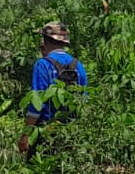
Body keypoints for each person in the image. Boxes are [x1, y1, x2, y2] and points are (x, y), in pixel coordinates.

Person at [19, 21, 87, 155]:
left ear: (45, 40)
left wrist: (25, 135)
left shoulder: (43, 65)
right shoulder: (78, 66)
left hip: (46, 130)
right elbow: (83, 101)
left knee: (40, 173)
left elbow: (36, 104)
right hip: (71, 131)